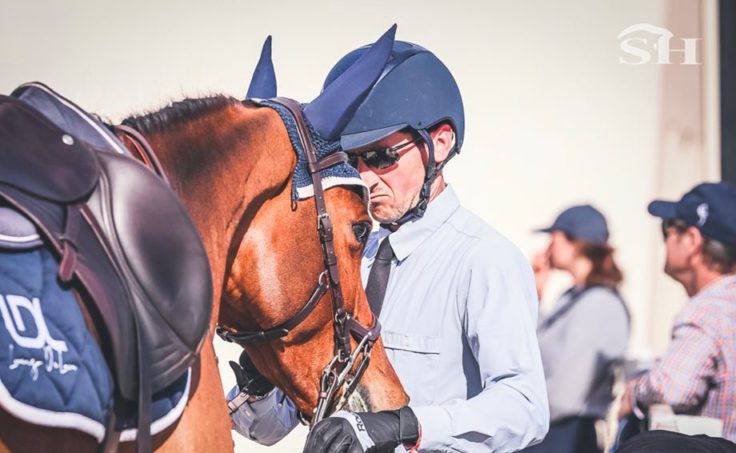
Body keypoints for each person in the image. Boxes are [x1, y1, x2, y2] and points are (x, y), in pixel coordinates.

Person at [228, 39, 549, 452]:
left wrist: (409, 425)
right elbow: (273, 428)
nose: (366, 178)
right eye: (352, 160)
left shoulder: (485, 260)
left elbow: (526, 408)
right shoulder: (346, 259)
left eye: (381, 157)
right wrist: (259, 386)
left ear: (441, 143)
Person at [618, 182, 736, 444]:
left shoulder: (709, 309)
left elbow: (671, 388)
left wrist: (634, 392)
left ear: (692, 240)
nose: (665, 239)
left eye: (668, 229)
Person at [525, 205, 630, 453]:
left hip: (565, 435)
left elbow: (564, 393)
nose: (548, 247)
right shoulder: (575, 297)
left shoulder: (599, 305)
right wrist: (536, 292)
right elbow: (535, 348)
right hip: (551, 429)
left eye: (554, 237)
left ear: (573, 242)